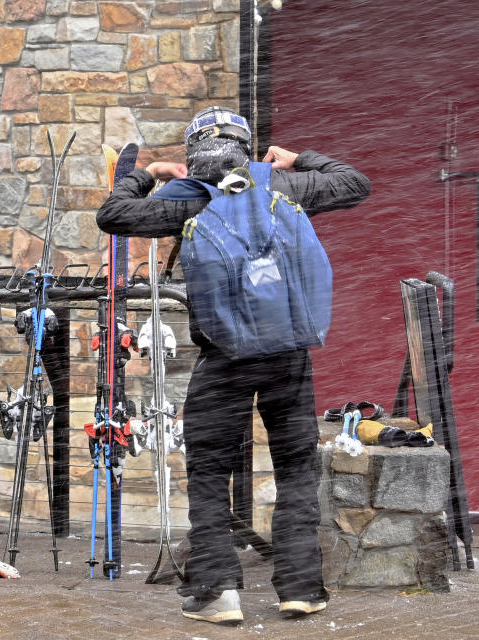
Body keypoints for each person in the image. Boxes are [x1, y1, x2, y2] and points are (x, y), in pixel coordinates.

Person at [96, 106, 371, 624]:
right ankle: (301, 588)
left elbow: (113, 216)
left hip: (223, 359)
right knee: (294, 470)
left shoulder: (186, 198)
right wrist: (296, 159)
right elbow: (356, 183)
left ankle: (217, 590)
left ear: (193, 151)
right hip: (288, 355)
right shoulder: (284, 188)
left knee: (208, 474)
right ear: (245, 147)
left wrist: (147, 174)